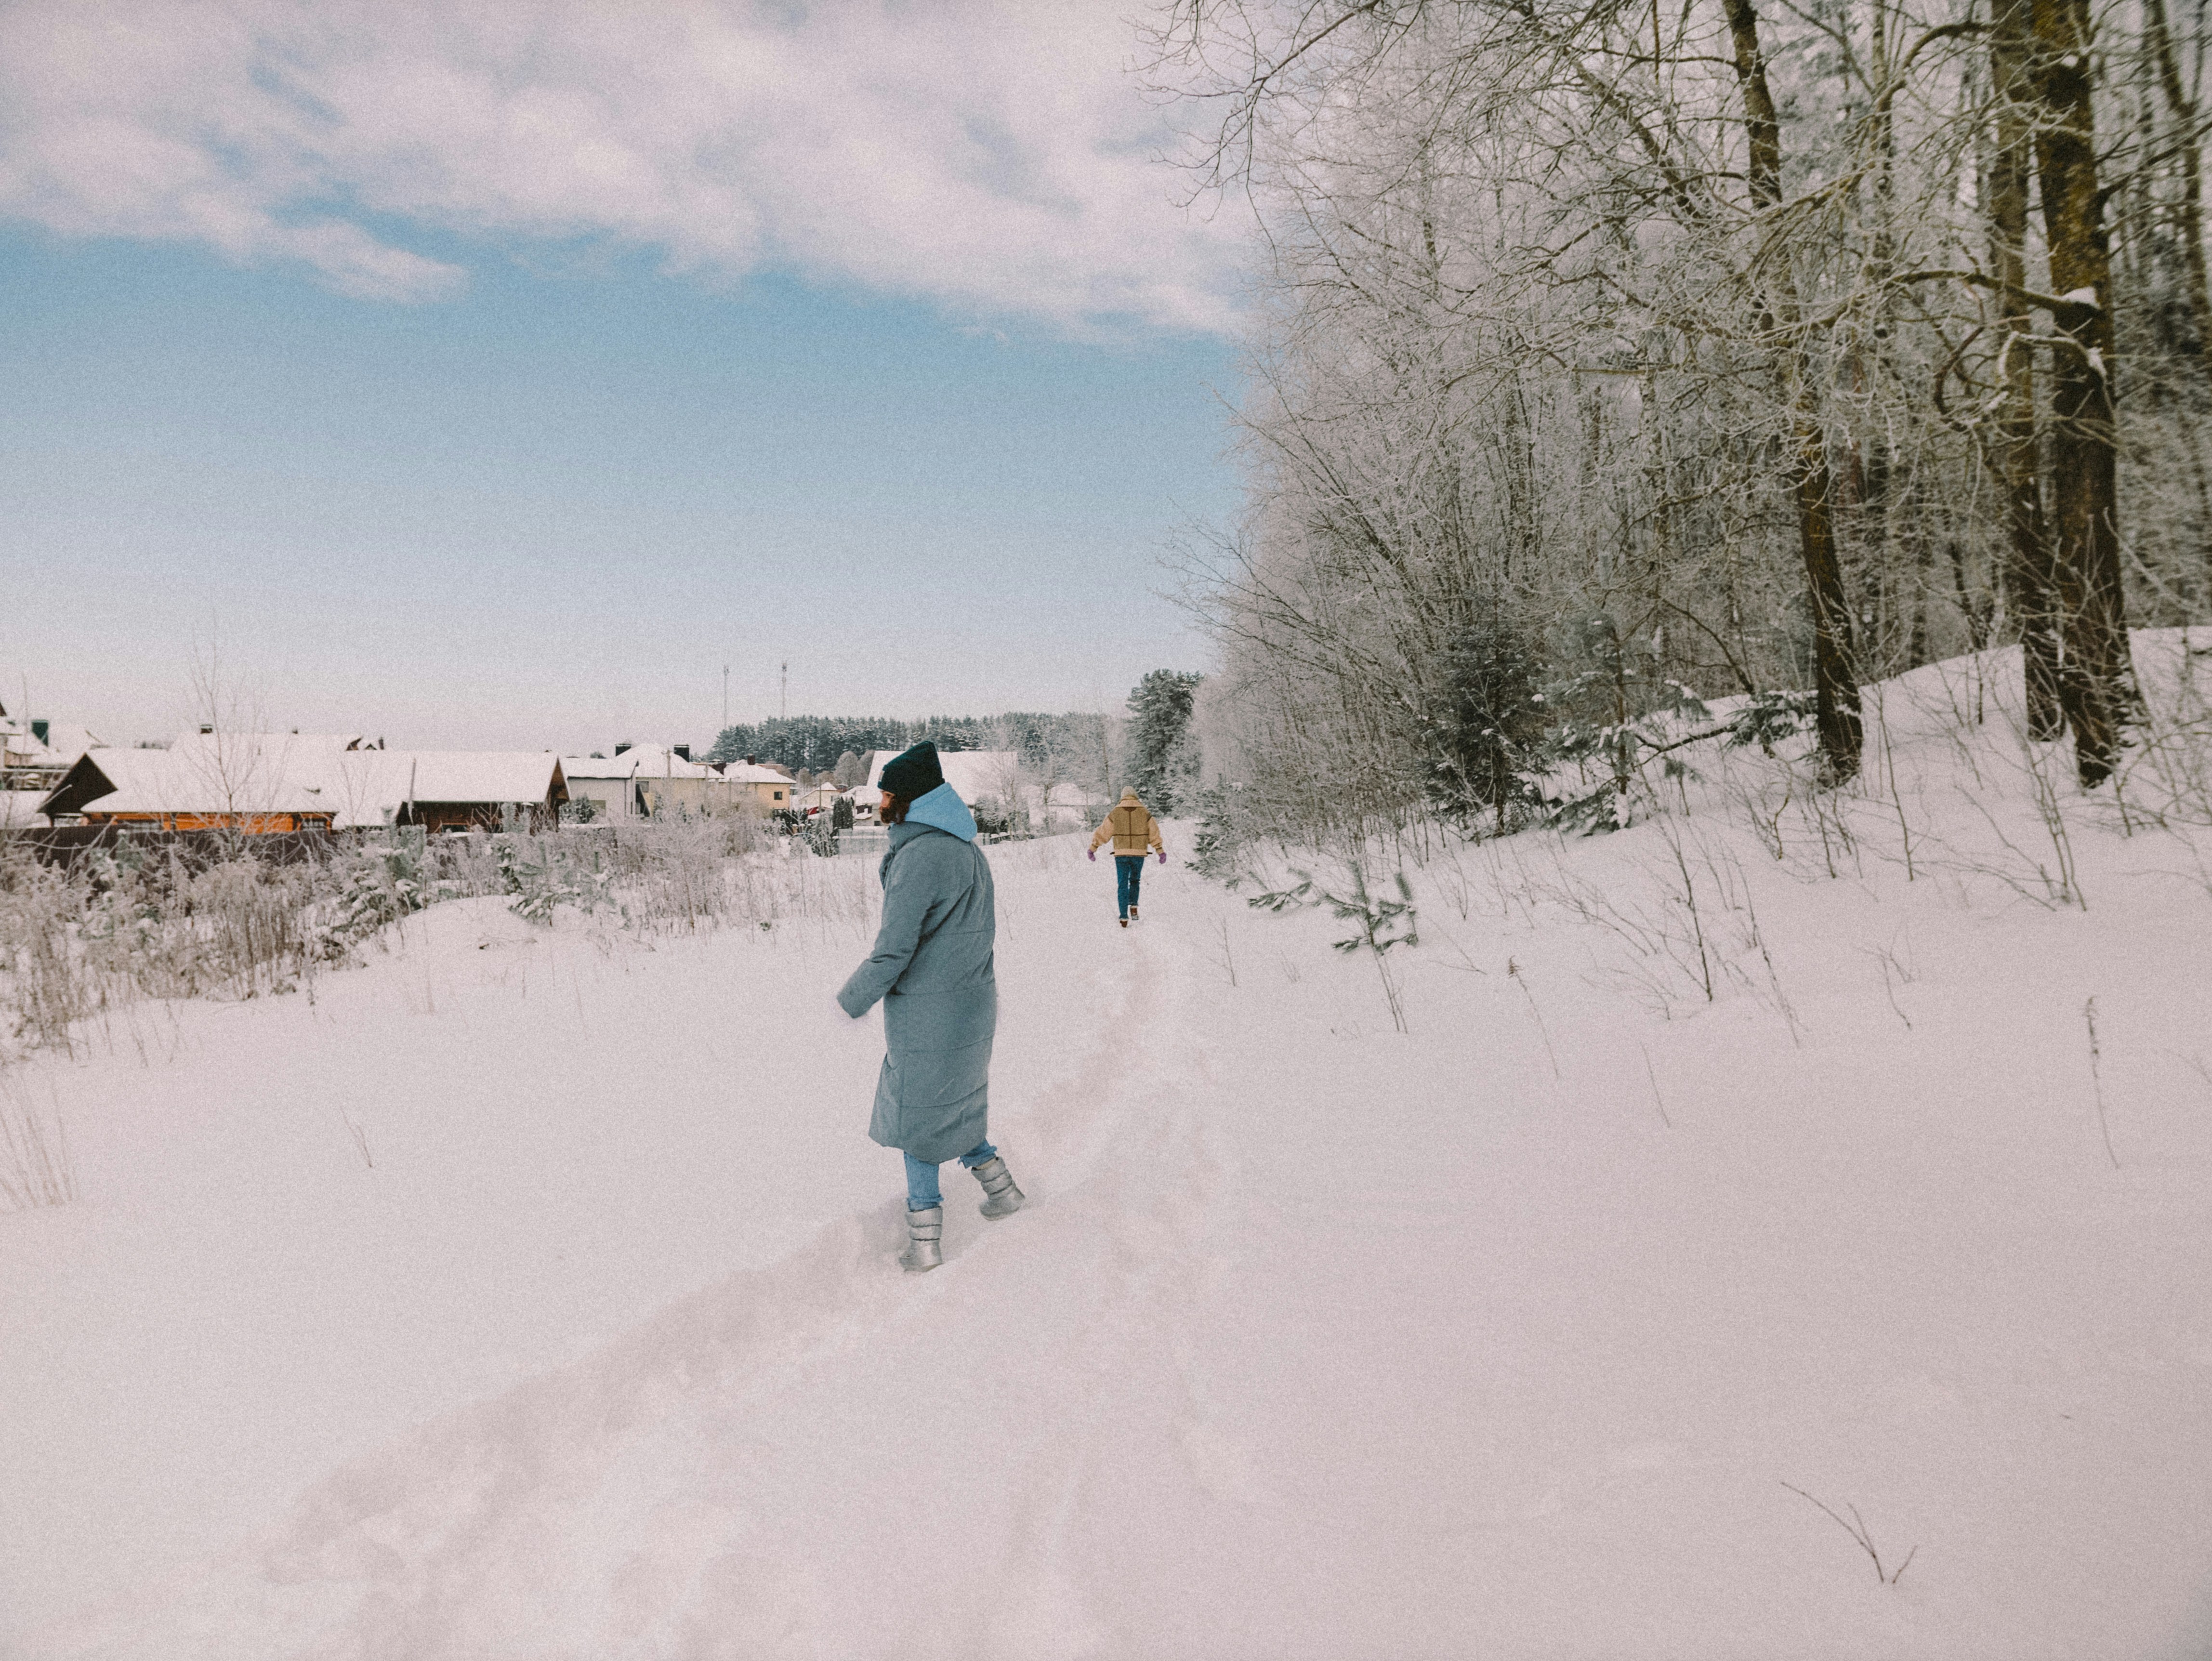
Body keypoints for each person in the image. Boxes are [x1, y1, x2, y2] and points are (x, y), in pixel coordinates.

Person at [837, 741, 1024, 1272]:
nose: (881, 802)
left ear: (911, 798)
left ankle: (925, 1242)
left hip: (931, 1012)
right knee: (955, 1106)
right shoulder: (966, 850)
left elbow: (894, 948)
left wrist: (850, 1001)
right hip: (972, 1003)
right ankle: (1003, 1192)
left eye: (888, 793)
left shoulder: (921, 856)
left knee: (919, 1120)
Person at [1088, 786, 1166, 927]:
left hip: (1121, 854)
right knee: (1135, 881)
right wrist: (1160, 850)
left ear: (1123, 797)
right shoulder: (1144, 812)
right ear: (1135, 796)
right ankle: (1134, 908)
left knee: (1123, 884)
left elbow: (1104, 832)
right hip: (1139, 854)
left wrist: (1093, 848)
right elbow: (1154, 833)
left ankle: (1124, 917)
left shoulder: (1115, 813)